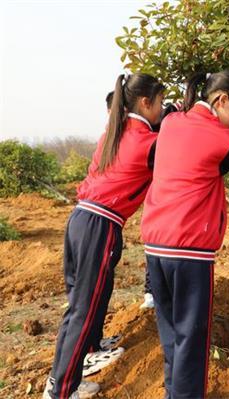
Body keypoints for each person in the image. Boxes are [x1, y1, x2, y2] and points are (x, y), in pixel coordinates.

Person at [44, 73, 165, 399]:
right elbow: (177, 153)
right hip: (100, 226)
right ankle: (63, 389)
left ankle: (71, 367)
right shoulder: (145, 142)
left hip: (81, 219)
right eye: (161, 103)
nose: (163, 108)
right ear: (145, 102)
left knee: (81, 305)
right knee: (82, 309)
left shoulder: (117, 131)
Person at [141, 69, 229, 399]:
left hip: (155, 245)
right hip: (189, 250)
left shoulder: (173, 122)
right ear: (221, 101)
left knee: (171, 335)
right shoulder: (222, 139)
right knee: (193, 339)